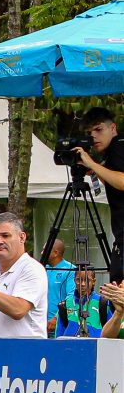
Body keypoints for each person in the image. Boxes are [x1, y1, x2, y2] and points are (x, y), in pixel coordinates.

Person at [73, 107, 124, 277]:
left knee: (118, 297)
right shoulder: (113, 151)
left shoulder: (118, 146)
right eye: (89, 132)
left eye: (99, 129)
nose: (93, 136)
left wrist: (92, 164)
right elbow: (114, 179)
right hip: (120, 238)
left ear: (113, 128)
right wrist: (96, 170)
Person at [56, 270, 112, 337]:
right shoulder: (65, 305)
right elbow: (59, 336)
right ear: (74, 280)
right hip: (70, 346)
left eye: (87, 280)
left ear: (94, 281)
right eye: (78, 280)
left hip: (96, 346)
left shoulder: (103, 303)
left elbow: (111, 332)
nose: (82, 284)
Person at [44, 239, 75, 337]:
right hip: (40, 324)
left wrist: (57, 317)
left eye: (45, 250)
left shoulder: (70, 270)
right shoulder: (41, 268)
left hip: (57, 324)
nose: (42, 253)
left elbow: (71, 297)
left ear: (55, 253)